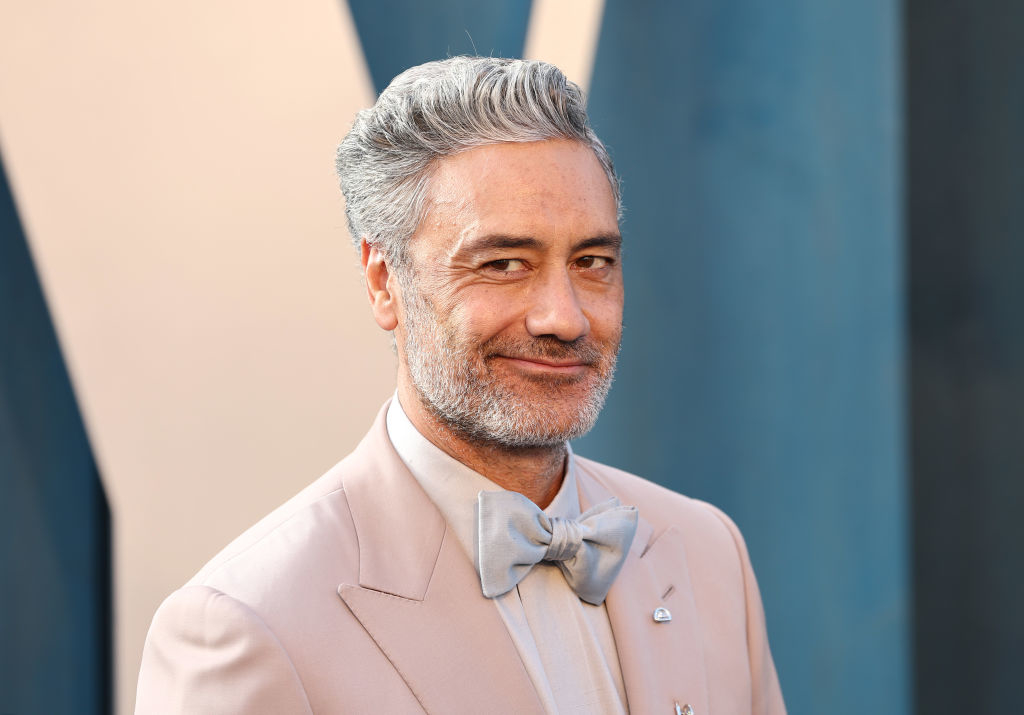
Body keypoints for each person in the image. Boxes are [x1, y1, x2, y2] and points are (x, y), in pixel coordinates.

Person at [136, 57, 785, 715]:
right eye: (504, 264)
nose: (564, 317)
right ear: (383, 281)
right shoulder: (245, 625)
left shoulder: (708, 553)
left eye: (592, 262)